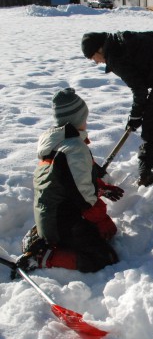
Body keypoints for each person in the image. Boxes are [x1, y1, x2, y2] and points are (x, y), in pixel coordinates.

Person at [16, 88, 122, 273]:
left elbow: (70, 181)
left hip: (54, 214)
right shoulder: (74, 148)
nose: (87, 123)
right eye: (85, 118)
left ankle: (43, 236)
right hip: (61, 220)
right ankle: (42, 257)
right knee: (103, 258)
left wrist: (101, 188)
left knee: (105, 232)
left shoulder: (57, 142)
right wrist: (102, 219)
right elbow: (83, 197)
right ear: (78, 119)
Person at [81, 31, 153, 186]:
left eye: (94, 58)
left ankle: (148, 178)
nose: (97, 62)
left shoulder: (115, 56)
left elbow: (139, 89)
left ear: (99, 49)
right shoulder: (123, 39)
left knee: (152, 130)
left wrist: (135, 116)